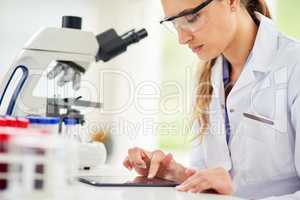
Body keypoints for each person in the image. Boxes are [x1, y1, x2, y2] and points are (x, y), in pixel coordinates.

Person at [123, 0, 300, 199]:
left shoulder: (293, 66)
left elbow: (234, 189)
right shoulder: (210, 75)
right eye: (174, 23)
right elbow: (214, 181)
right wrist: (175, 174)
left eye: (191, 18)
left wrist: (234, 194)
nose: (181, 39)